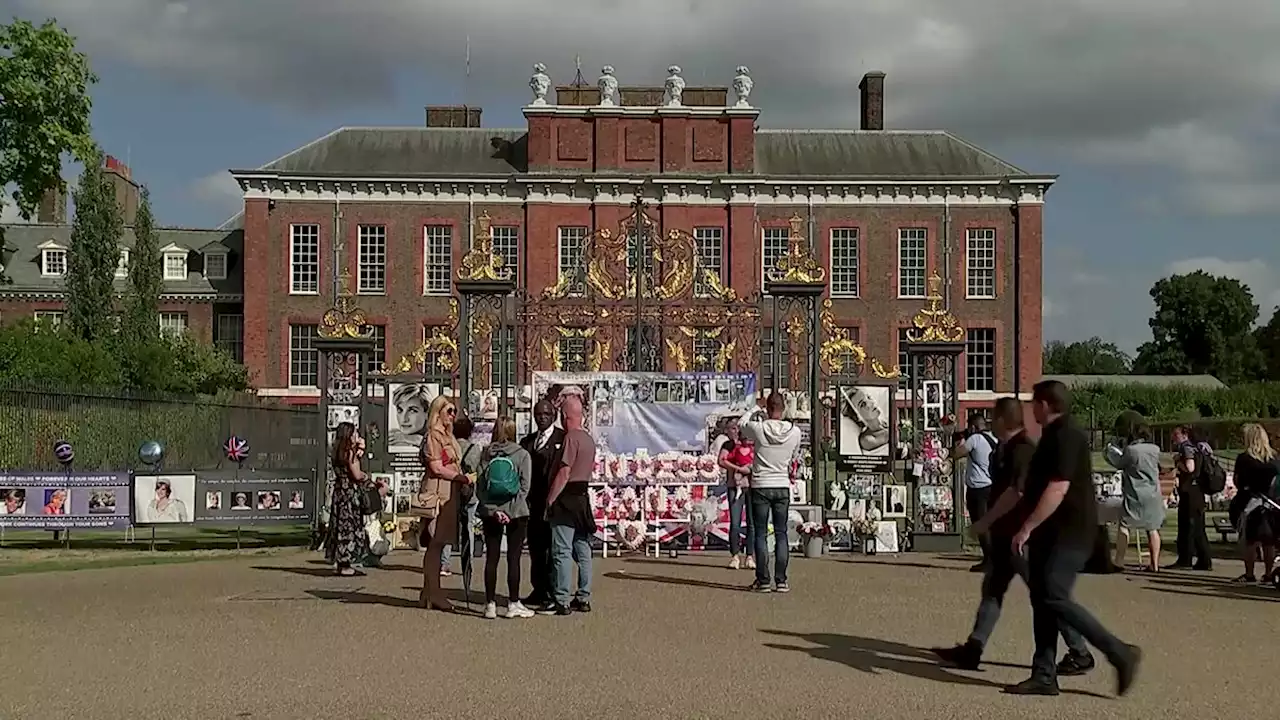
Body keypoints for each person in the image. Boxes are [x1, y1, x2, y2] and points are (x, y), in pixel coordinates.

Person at [933, 397, 1092, 670]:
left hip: (1023, 538)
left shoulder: (1023, 451)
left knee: (1047, 596)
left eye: (994, 417)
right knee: (993, 590)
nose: (990, 422)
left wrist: (986, 520)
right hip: (1008, 535)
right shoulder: (1006, 448)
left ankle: (1080, 652)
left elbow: (1017, 492)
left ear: (1003, 420)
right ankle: (974, 647)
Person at [1006, 380, 1140, 697]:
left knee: (1053, 594)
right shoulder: (1051, 436)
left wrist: (1027, 526)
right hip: (1051, 533)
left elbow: (1058, 487)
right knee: (1042, 597)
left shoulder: (1067, 434)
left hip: (1070, 532)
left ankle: (1119, 652)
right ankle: (1044, 673)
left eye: (1034, 402)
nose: (1031, 409)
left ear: (1045, 404)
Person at [739, 392, 802, 593]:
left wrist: (754, 408)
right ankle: (781, 580)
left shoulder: (759, 428)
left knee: (761, 533)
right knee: (781, 533)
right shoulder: (795, 432)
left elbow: (742, 424)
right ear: (783, 409)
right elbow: (794, 456)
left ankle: (763, 580)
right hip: (781, 484)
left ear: (767, 408)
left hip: (761, 484)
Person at [418, 395, 474, 611]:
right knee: (435, 543)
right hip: (437, 492)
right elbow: (436, 467)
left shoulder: (448, 436)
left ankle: (428, 593)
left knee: (439, 543)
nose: (453, 415)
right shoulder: (433, 435)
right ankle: (435, 593)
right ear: (438, 412)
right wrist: (460, 477)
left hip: (450, 492)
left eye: (454, 412)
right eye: (449, 411)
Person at [476, 416, 535, 619]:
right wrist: (510, 511)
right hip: (516, 513)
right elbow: (525, 487)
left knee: (491, 558)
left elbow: (480, 488)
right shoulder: (522, 455)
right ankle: (513, 603)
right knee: (513, 558)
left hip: (490, 513)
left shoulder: (485, 454)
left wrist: (493, 510)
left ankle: (490, 604)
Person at [543, 395, 597, 616]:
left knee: (562, 550)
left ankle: (562, 599)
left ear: (565, 417)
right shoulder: (589, 439)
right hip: (583, 496)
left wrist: (550, 498)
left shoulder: (570, 438)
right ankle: (583, 596)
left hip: (567, 497)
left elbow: (564, 472)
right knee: (583, 549)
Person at [1104, 412, 1165, 572]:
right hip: (1152, 493)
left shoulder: (1132, 450)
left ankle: (1119, 561)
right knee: (1152, 528)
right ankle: (1155, 564)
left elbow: (1120, 464)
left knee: (1125, 525)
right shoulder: (1155, 449)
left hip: (1135, 492)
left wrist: (1110, 452)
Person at [519, 399, 564, 609]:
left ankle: (552, 592)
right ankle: (538, 589)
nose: (542, 418)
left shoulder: (562, 439)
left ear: (553, 416)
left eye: (546, 414)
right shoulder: (527, 442)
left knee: (552, 550)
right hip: (532, 504)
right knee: (536, 549)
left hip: (553, 504)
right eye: (538, 414)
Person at [1230, 423, 1278, 584]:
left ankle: (1249, 573)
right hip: (1270, 503)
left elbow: (1238, 481)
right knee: (1268, 540)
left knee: (1250, 540)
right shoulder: (1274, 458)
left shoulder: (1244, 459)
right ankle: (1269, 573)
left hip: (1250, 502)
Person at [441, 412, 484, 577]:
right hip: (469, 493)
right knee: (469, 528)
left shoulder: (449, 448)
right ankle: (468, 563)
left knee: (448, 529)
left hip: (450, 491)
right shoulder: (474, 449)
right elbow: (477, 471)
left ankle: (444, 564)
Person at [325, 422, 370, 576]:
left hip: (339, 492)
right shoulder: (349, 453)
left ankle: (339, 561)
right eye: (354, 433)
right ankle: (346, 564)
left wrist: (360, 449)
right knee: (349, 526)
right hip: (349, 493)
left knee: (339, 525)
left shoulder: (336, 451)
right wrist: (366, 476)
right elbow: (357, 474)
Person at [953, 413, 997, 572]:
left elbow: (957, 454)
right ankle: (993, 558)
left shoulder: (975, 439)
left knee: (980, 523)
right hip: (992, 486)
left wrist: (960, 442)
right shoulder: (993, 439)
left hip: (977, 489)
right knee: (990, 523)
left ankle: (989, 560)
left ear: (973, 427)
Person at [1169, 426, 1213, 571]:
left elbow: (1190, 467)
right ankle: (1198, 559)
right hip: (1196, 492)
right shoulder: (1197, 447)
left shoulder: (1186, 448)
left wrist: (1177, 462)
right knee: (1195, 526)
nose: (1173, 437)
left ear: (1184, 435)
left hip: (1190, 492)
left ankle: (1191, 559)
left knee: (1190, 527)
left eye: (1176, 434)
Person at [718, 418, 756, 570]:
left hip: (753, 486)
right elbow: (721, 460)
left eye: (737, 428)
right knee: (735, 522)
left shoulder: (755, 445)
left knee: (752, 523)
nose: (735, 431)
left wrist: (750, 468)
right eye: (732, 428)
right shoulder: (729, 445)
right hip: (735, 486)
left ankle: (750, 555)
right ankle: (734, 555)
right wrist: (738, 469)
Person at [388, 383, 433, 450]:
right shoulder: (395, 436)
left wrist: (414, 439)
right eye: (400, 410)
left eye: (412, 411)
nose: (404, 419)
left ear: (427, 412)